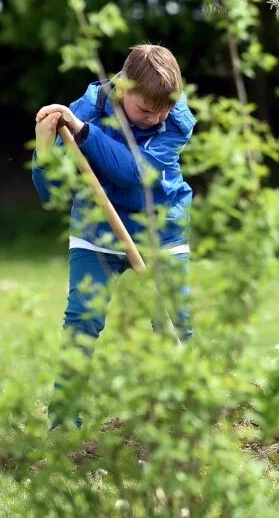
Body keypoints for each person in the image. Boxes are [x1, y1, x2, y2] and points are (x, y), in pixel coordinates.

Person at [32, 44, 196, 424]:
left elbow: (137, 174)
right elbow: (52, 193)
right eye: (146, 110)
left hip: (161, 229)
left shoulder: (177, 118)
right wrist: (45, 147)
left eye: (163, 110)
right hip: (97, 229)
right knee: (82, 321)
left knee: (175, 320)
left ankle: (177, 420)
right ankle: (64, 424)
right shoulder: (86, 108)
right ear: (122, 89)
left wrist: (83, 133)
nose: (157, 119)